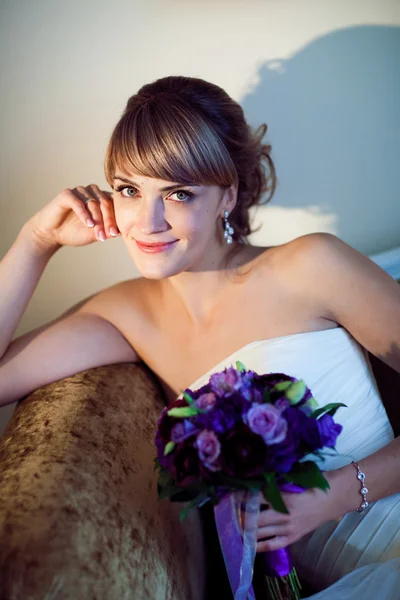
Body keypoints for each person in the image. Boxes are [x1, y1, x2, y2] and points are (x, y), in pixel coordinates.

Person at [0, 75, 399, 599]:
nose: (149, 221)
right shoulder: (124, 315)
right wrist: (37, 241)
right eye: (129, 190)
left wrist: (338, 496)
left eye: (179, 193)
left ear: (227, 195)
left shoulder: (313, 266)